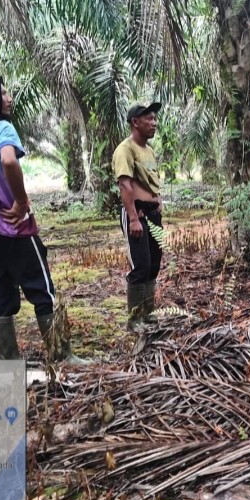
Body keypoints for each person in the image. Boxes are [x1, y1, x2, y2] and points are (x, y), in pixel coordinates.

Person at [0, 75, 89, 363]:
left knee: (0, 297)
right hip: (14, 225)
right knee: (41, 289)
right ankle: (62, 354)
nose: (9, 98)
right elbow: (8, 160)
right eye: (3, 93)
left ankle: (9, 359)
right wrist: (20, 201)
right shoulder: (2, 128)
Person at [112, 101, 164, 332]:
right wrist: (133, 217)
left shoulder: (149, 150)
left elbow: (151, 181)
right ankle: (134, 319)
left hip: (153, 214)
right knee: (140, 265)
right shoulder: (125, 149)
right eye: (149, 119)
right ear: (135, 122)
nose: (154, 123)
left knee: (154, 263)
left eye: (154, 118)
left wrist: (158, 201)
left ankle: (148, 313)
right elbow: (125, 184)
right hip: (138, 214)